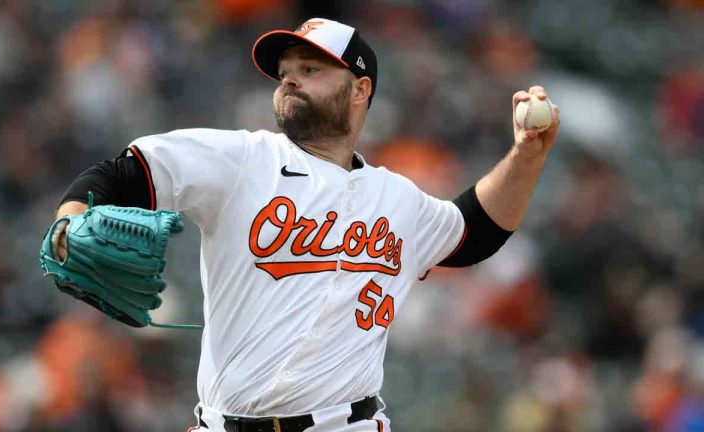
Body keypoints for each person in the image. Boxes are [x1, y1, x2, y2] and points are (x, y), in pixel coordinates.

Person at [49, 17, 559, 432]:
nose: (290, 78)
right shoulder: (242, 159)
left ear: (360, 89)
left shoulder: (397, 198)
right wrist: (68, 221)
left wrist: (526, 155)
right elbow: (120, 174)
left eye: (311, 69)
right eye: (286, 70)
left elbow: (474, 233)